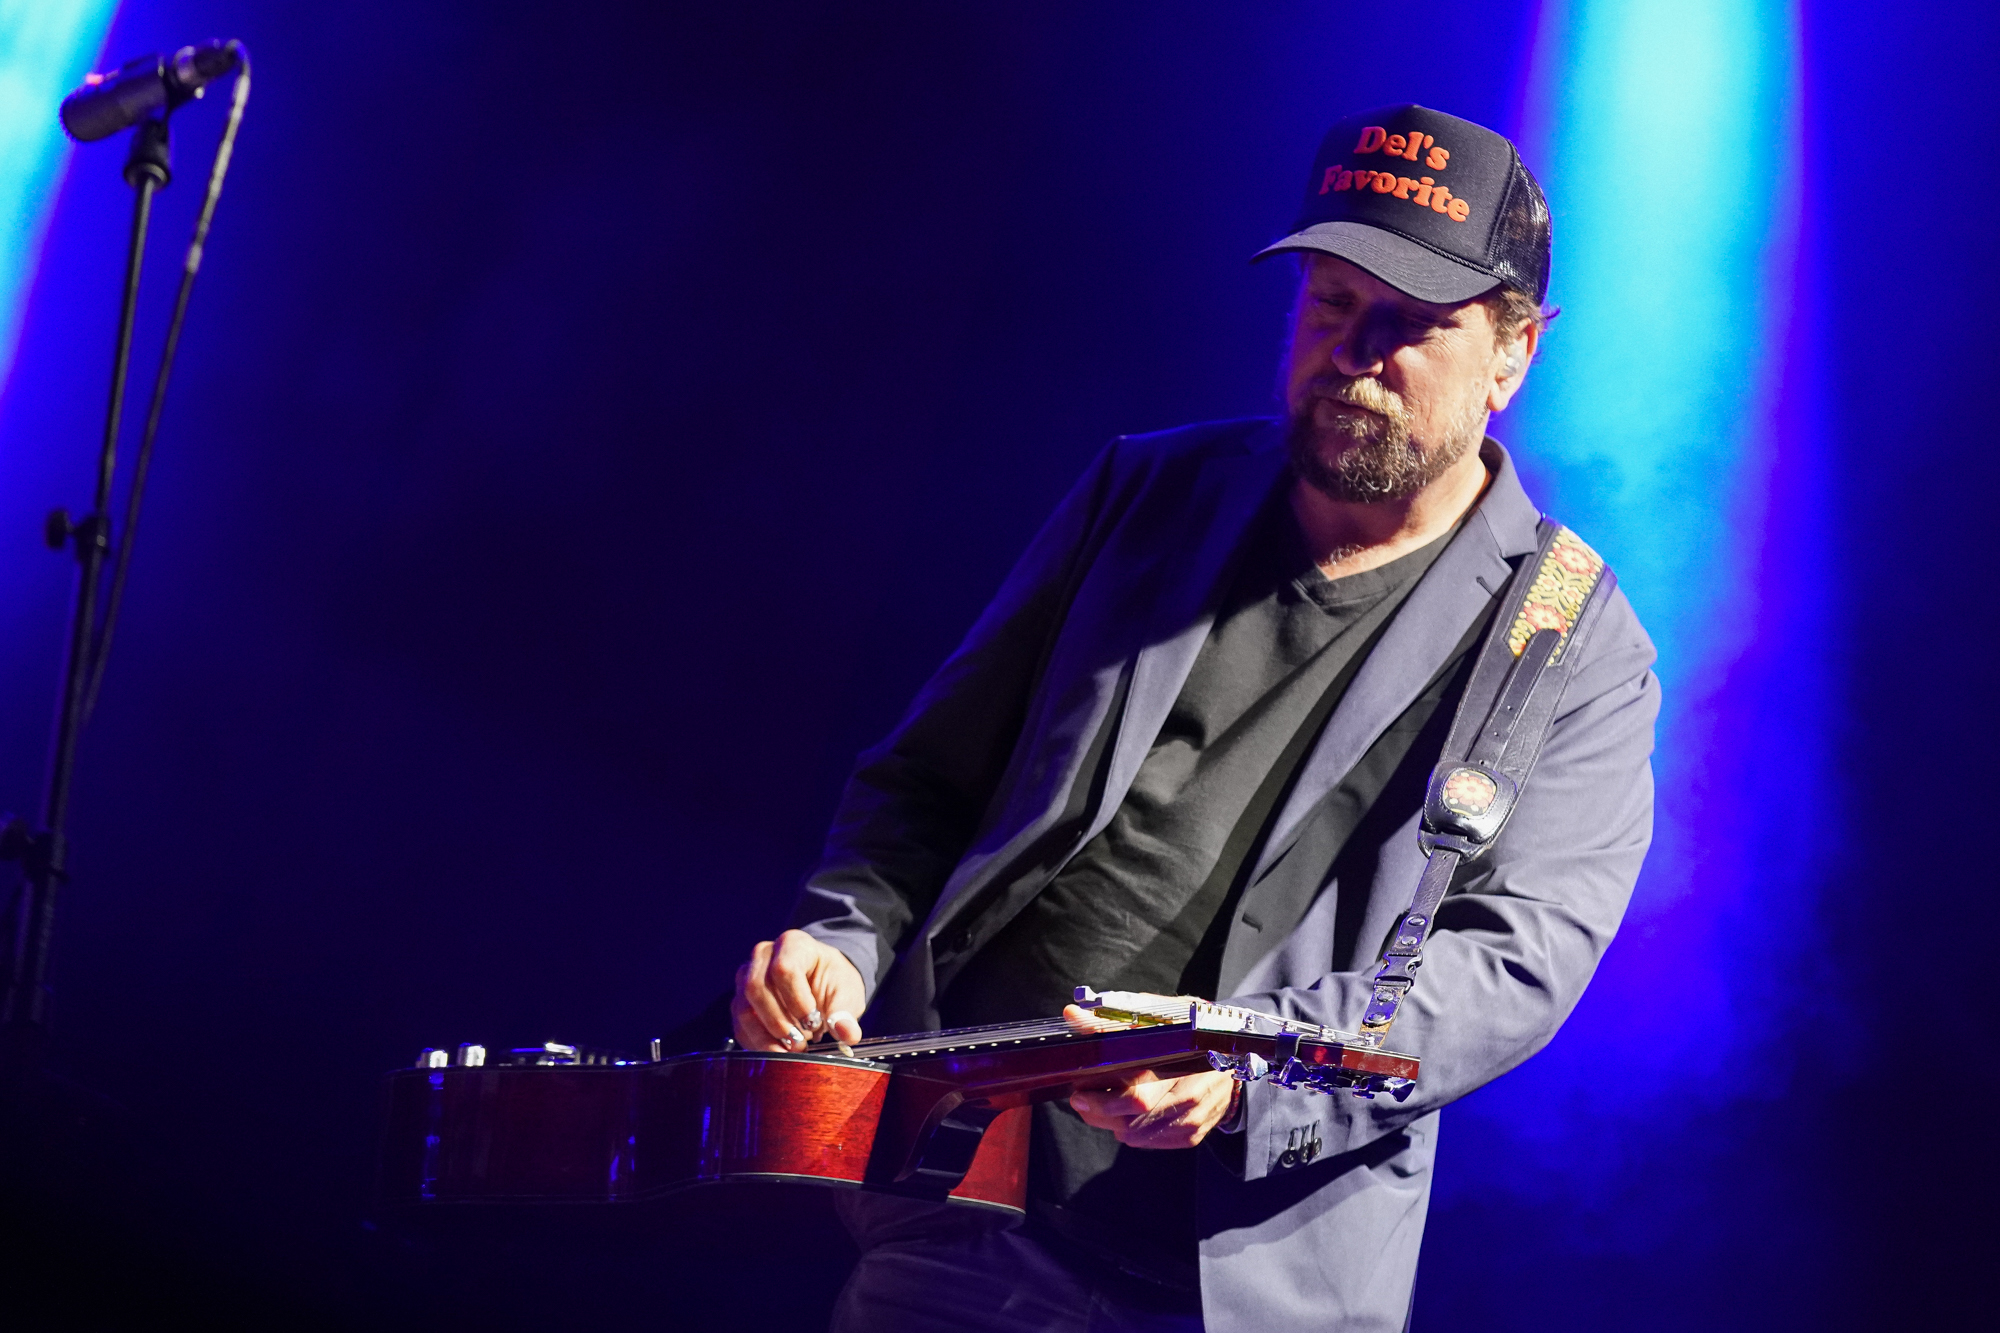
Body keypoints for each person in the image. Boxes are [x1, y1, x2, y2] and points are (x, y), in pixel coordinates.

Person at [731, 104, 1658, 1333]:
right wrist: (839, 941)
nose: (1354, 352)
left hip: (1244, 1285)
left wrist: (1250, 1065)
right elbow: (926, 780)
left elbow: (1510, 963)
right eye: (1330, 303)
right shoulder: (1146, 489)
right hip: (961, 1212)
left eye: (1410, 323)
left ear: (1512, 353)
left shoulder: (1572, 639)